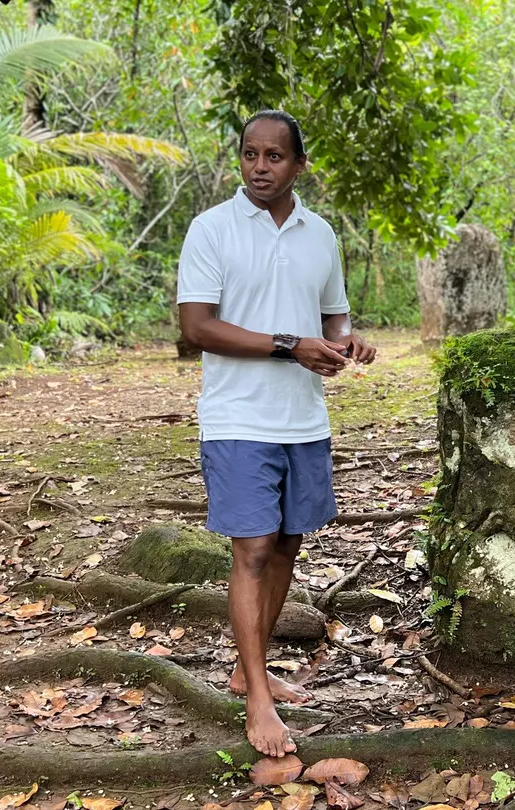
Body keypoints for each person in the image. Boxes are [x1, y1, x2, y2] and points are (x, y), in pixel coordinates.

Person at [176, 110, 376, 757]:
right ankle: (258, 701)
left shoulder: (322, 236)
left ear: (298, 165)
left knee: (288, 543)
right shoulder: (211, 230)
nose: (260, 167)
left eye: (274, 157)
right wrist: (290, 344)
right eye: (249, 155)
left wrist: (348, 348)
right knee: (253, 550)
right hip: (237, 420)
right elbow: (196, 328)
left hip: (303, 420)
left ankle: (246, 669)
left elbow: (333, 322)